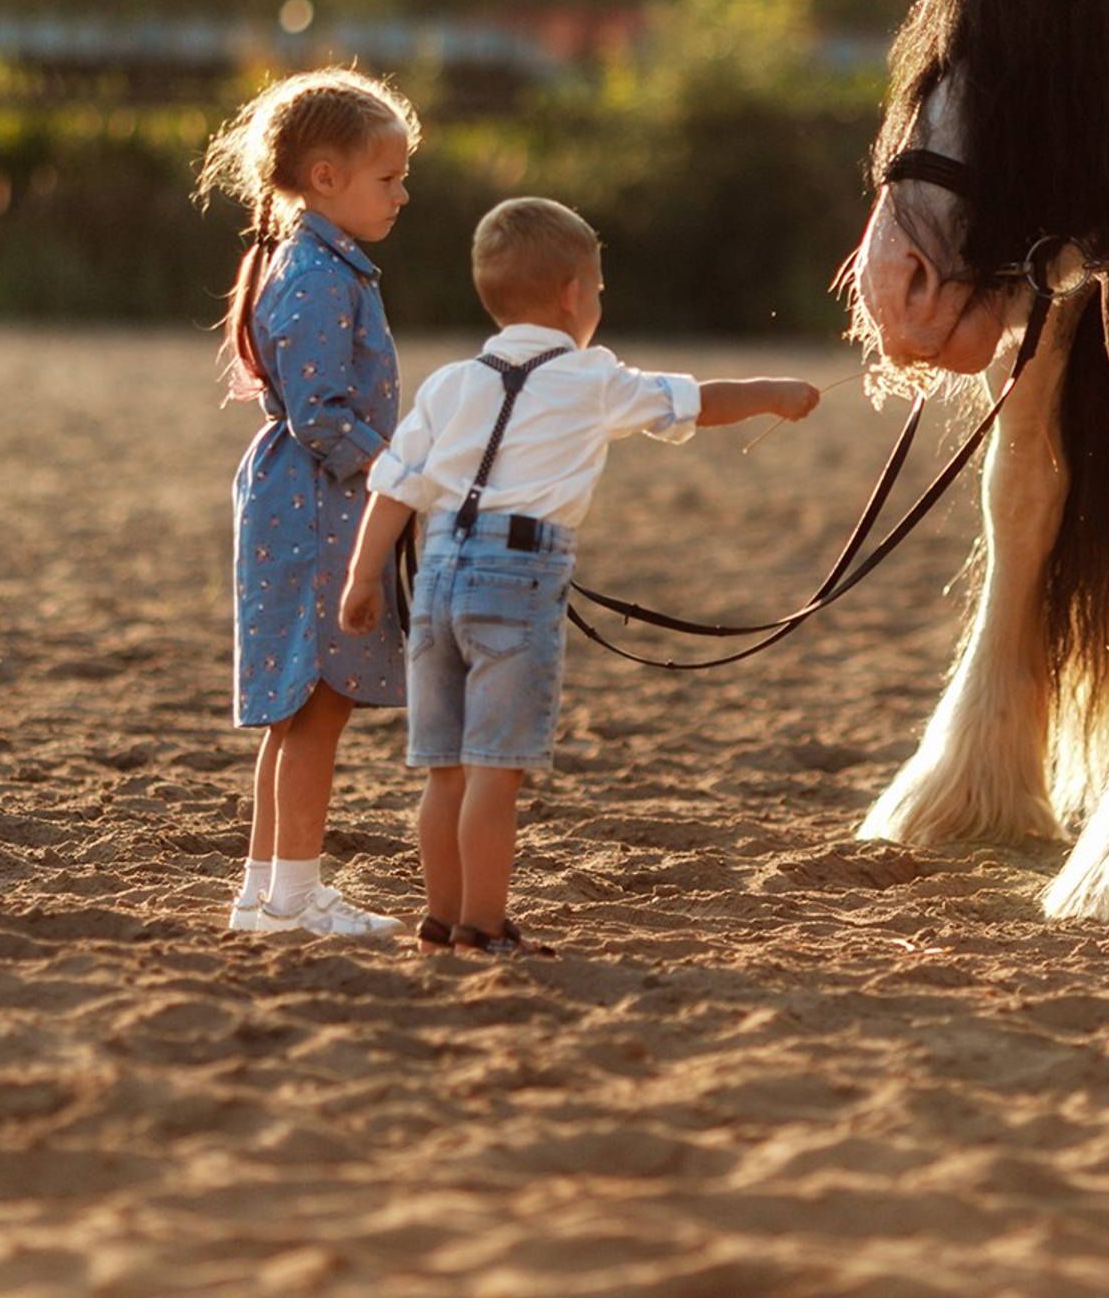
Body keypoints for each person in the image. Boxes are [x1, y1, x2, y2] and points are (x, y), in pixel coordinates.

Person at [338, 197, 820, 955]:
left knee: (445, 771)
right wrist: (772, 394)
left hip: (434, 578)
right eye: (597, 288)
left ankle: (441, 919)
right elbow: (694, 402)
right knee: (497, 770)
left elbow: (394, 488)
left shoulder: (449, 383)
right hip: (517, 578)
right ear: (572, 294)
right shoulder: (592, 376)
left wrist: (363, 579)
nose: (597, 300)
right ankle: (483, 928)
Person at [195, 66, 420, 936]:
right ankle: (292, 898)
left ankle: (264, 895)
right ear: (326, 178)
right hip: (317, 505)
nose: (402, 194)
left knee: (297, 714)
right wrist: (399, 473)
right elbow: (321, 415)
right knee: (318, 706)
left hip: (305, 496)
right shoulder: (320, 276)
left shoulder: (319, 264)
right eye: (388, 178)